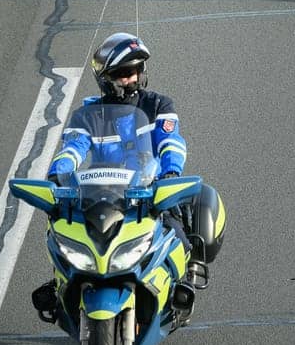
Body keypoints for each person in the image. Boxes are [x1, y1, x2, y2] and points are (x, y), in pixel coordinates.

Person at [29, 33, 220, 321]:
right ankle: (63, 285)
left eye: (135, 72)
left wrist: (170, 172)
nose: (131, 79)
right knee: (59, 225)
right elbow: (74, 149)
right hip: (102, 195)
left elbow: (171, 142)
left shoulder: (158, 105)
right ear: (105, 77)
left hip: (149, 192)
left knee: (178, 232)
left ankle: (183, 285)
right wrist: (59, 174)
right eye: (122, 74)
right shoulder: (88, 114)